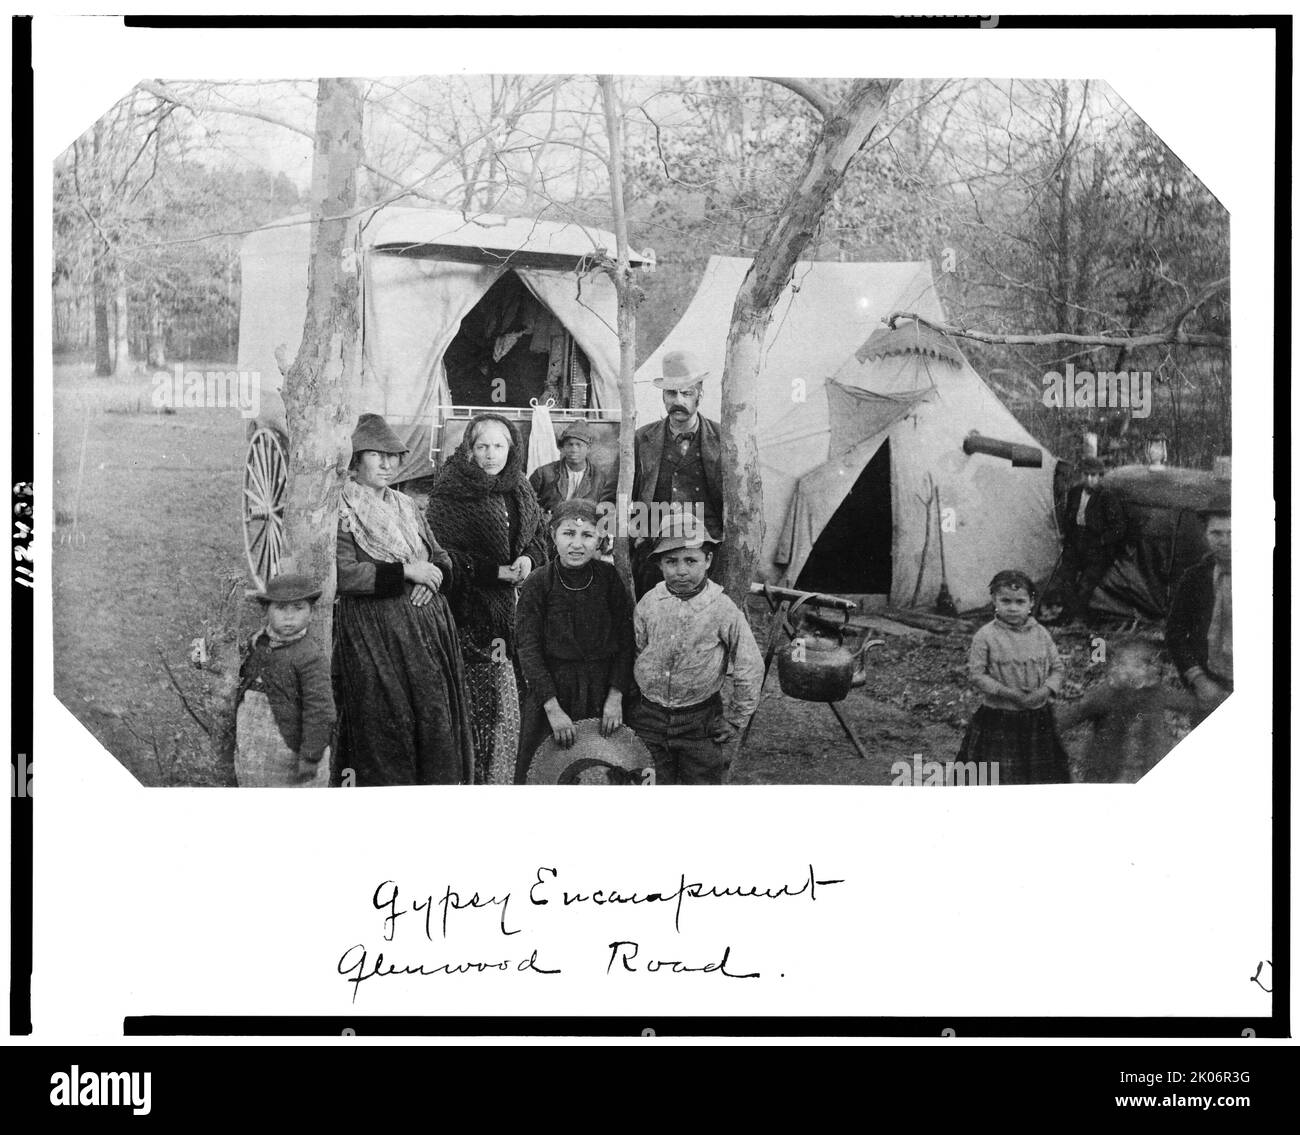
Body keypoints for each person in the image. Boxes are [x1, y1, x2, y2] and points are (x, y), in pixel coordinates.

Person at [333, 413, 473, 786]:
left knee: (433, 718)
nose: (387, 464)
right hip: (377, 635)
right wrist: (408, 573)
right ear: (356, 460)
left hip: (429, 636)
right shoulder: (344, 510)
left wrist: (434, 576)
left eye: (393, 456)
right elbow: (345, 574)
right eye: (376, 455)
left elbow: (440, 556)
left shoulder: (406, 506)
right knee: (388, 722)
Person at [426, 413, 550, 784]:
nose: (491, 454)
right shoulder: (450, 490)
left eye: (498, 446)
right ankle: (474, 776)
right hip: (470, 613)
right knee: (478, 702)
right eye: (482, 446)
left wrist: (528, 560)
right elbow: (444, 555)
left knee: (510, 697)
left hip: (514, 611)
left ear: (511, 449)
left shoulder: (519, 487)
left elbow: (538, 537)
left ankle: (506, 774)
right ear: (469, 449)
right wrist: (495, 573)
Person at [628, 516, 764, 785]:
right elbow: (639, 650)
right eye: (671, 561)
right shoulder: (649, 603)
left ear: (708, 560)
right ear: (659, 564)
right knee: (650, 783)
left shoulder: (721, 608)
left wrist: (736, 719)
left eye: (691, 561)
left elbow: (749, 664)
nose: (681, 571)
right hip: (649, 717)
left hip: (700, 721)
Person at [514, 498, 636, 783]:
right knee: (547, 773)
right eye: (568, 533)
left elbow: (626, 640)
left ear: (600, 539)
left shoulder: (608, 579)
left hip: (602, 694)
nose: (577, 544)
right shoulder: (538, 583)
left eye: (587, 535)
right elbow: (528, 650)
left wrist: (616, 696)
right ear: (553, 535)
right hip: (553, 693)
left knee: (602, 773)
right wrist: (552, 709)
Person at [958, 569, 1068, 785]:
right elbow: (977, 675)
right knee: (997, 777)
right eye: (1005, 601)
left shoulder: (1041, 634)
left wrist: (1044, 691)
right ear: (994, 600)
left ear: (1031, 603)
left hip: (1037, 718)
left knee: (1040, 775)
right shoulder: (985, 636)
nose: (1013, 607)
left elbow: (1057, 669)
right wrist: (1008, 693)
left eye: (1020, 601)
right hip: (999, 717)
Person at [631, 349, 725, 598]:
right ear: (663, 396)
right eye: (671, 393)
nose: (678, 400)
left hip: (706, 551)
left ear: (700, 395)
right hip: (655, 551)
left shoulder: (723, 438)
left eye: (686, 393)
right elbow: (620, 494)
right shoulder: (642, 438)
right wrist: (632, 533)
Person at [236, 573, 334, 788]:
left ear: (311, 613)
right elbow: (234, 671)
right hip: (252, 742)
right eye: (281, 608)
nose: (289, 617)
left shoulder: (310, 656)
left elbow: (320, 709)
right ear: (266, 611)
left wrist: (311, 756)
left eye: (298, 608)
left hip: (289, 748)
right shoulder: (256, 643)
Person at [1054, 639, 1197, 782]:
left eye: (1143, 665)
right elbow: (1071, 716)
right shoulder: (1106, 695)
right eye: (1124, 664)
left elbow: (1189, 703)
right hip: (1108, 771)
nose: (1140, 670)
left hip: (1147, 764)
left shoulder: (1156, 693)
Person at [1165, 504, 1232, 719]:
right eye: (1216, 533)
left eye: (1232, 533)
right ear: (1205, 535)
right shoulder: (1194, 578)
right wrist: (1200, 681)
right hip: (1210, 683)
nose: (1225, 541)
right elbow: (1175, 633)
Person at [1058, 456, 1126, 624]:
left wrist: (1101, 541)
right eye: (1086, 474)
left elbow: (1119, 527)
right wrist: (1067, 537)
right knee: (1065, 577)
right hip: (1075, 541)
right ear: (1081, 475)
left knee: (1086, 583)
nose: (1089, 479)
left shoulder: (1107, 496)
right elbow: (1069, 517)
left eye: (1094, 475)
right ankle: (1067, 615)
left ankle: (1079, 618)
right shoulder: (1075, 492)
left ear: (1100, 476)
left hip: (1096, 546)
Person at [529, 421, 617, 521]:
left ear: (588, 448)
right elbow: (528, 505)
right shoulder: (543, 474)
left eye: (579, 445)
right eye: (570, 444)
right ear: (562, 448)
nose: (574, 449)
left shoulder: (599, 478)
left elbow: (606, 512)